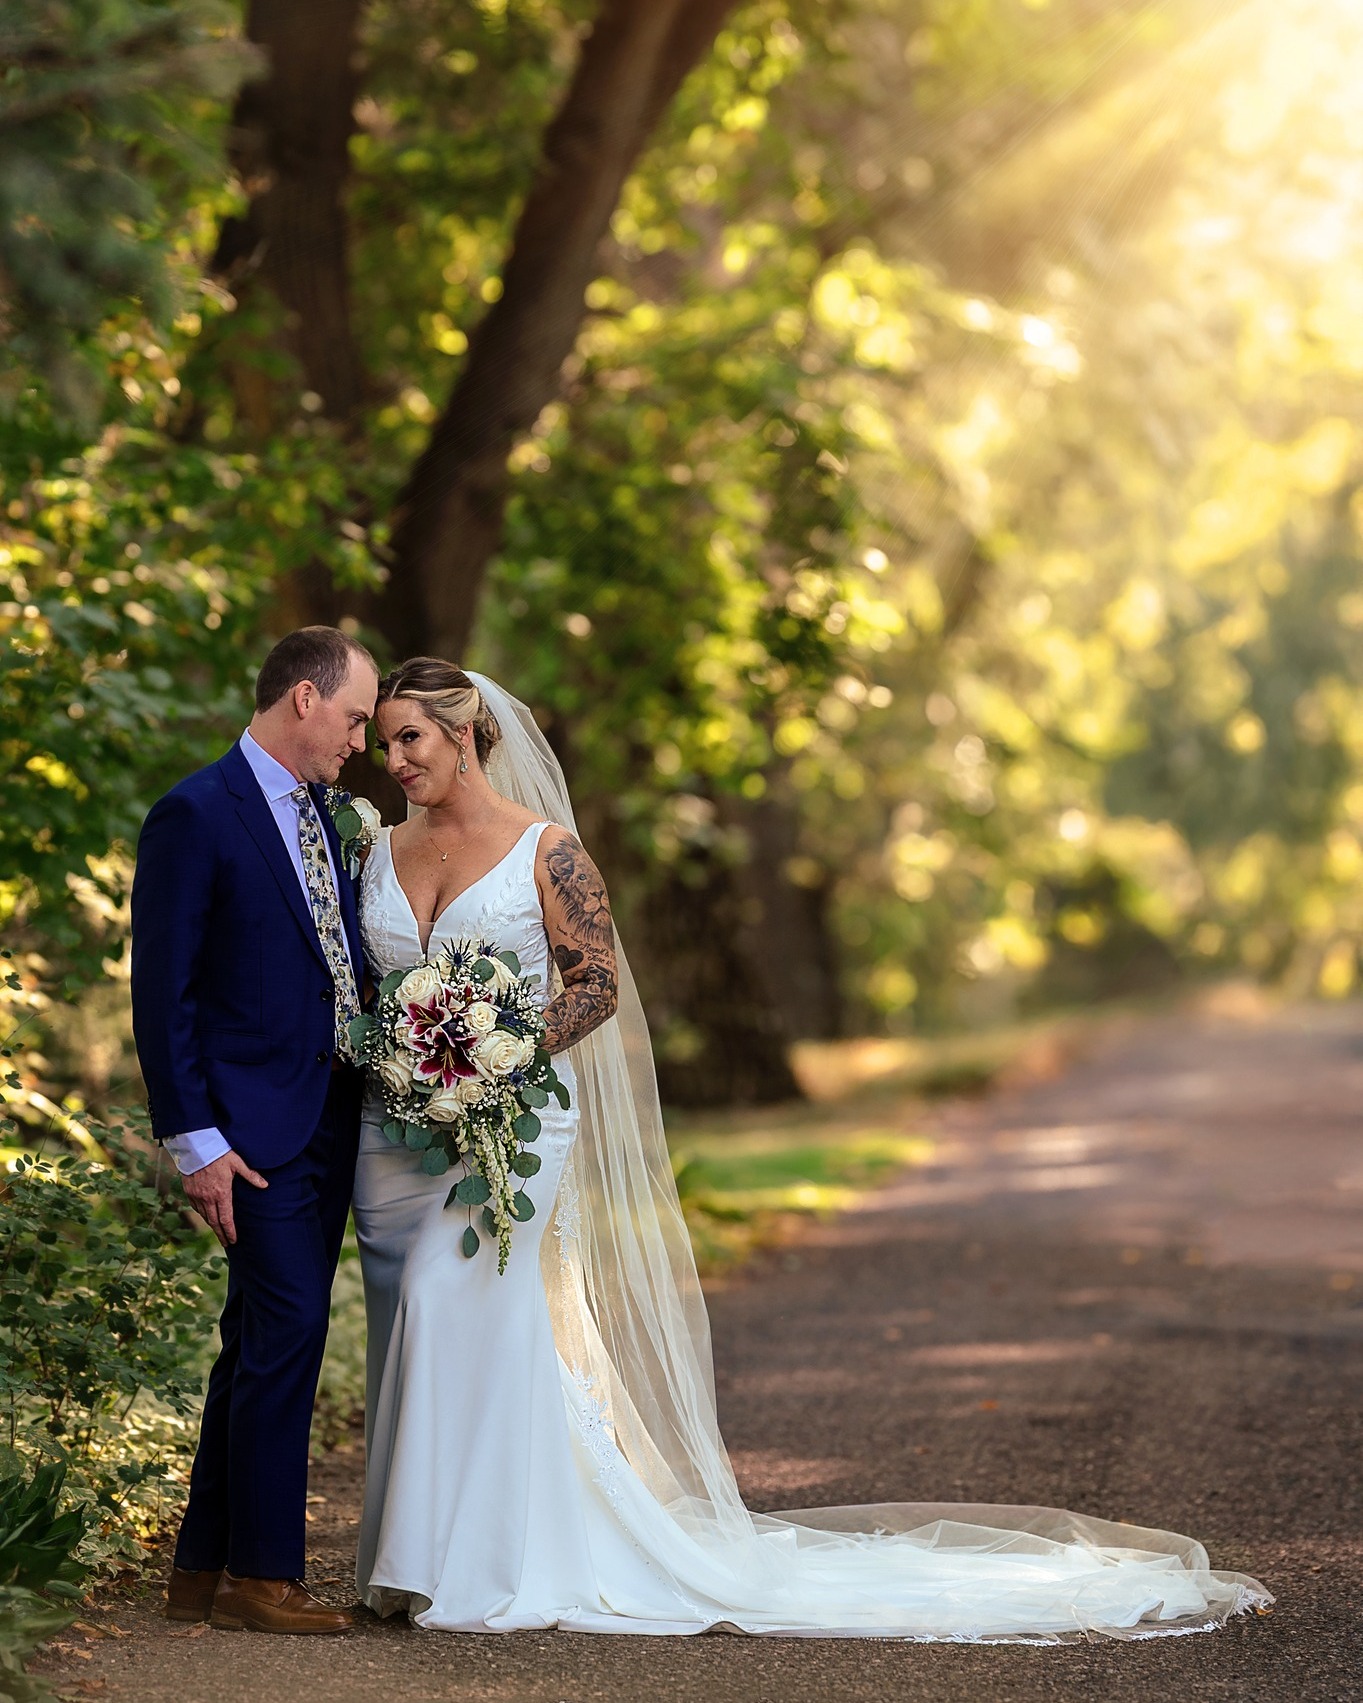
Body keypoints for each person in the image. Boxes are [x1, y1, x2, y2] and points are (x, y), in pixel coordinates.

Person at [351, 658, 1271, 1641]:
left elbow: (596, 983)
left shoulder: (548, 849)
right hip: (399, 1129)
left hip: (519, 1117)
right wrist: (412, 1053)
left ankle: (466, 1565)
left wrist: (504, 1050)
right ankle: (433, 1554)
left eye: (413, 736)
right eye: (386, 741)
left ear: (467, 733)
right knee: (424, 1319)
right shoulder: (377, 849)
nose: (396, 758)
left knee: (460, 1297)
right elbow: (370, 988)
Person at [131, 625, 378, 1635]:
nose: (360, 740)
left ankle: (199, 1566)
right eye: (356, 716)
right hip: (246, 1133)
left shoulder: (332, 817)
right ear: (304, 700)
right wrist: (195, 1140)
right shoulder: (194, 812)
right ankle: (264, 1574)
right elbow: (164, 993)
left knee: (254, 1341)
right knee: (290, 1331)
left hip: (329, 1117)